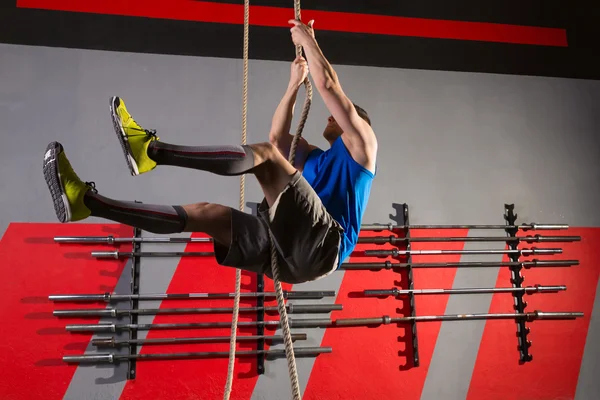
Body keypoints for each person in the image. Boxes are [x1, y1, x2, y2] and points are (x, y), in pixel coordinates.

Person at [42, 19, 377, 284]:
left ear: (357, 123)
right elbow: (277, 138)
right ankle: (86, 203)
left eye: (341, 115)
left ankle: (152, 151)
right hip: (292, 260)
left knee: (267, 160)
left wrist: (308, 40)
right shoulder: (318, 158)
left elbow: (329, 86)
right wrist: (293, 84)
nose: (330, 115)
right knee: (207, 213)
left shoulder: (363, 149)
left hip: (323, 245)